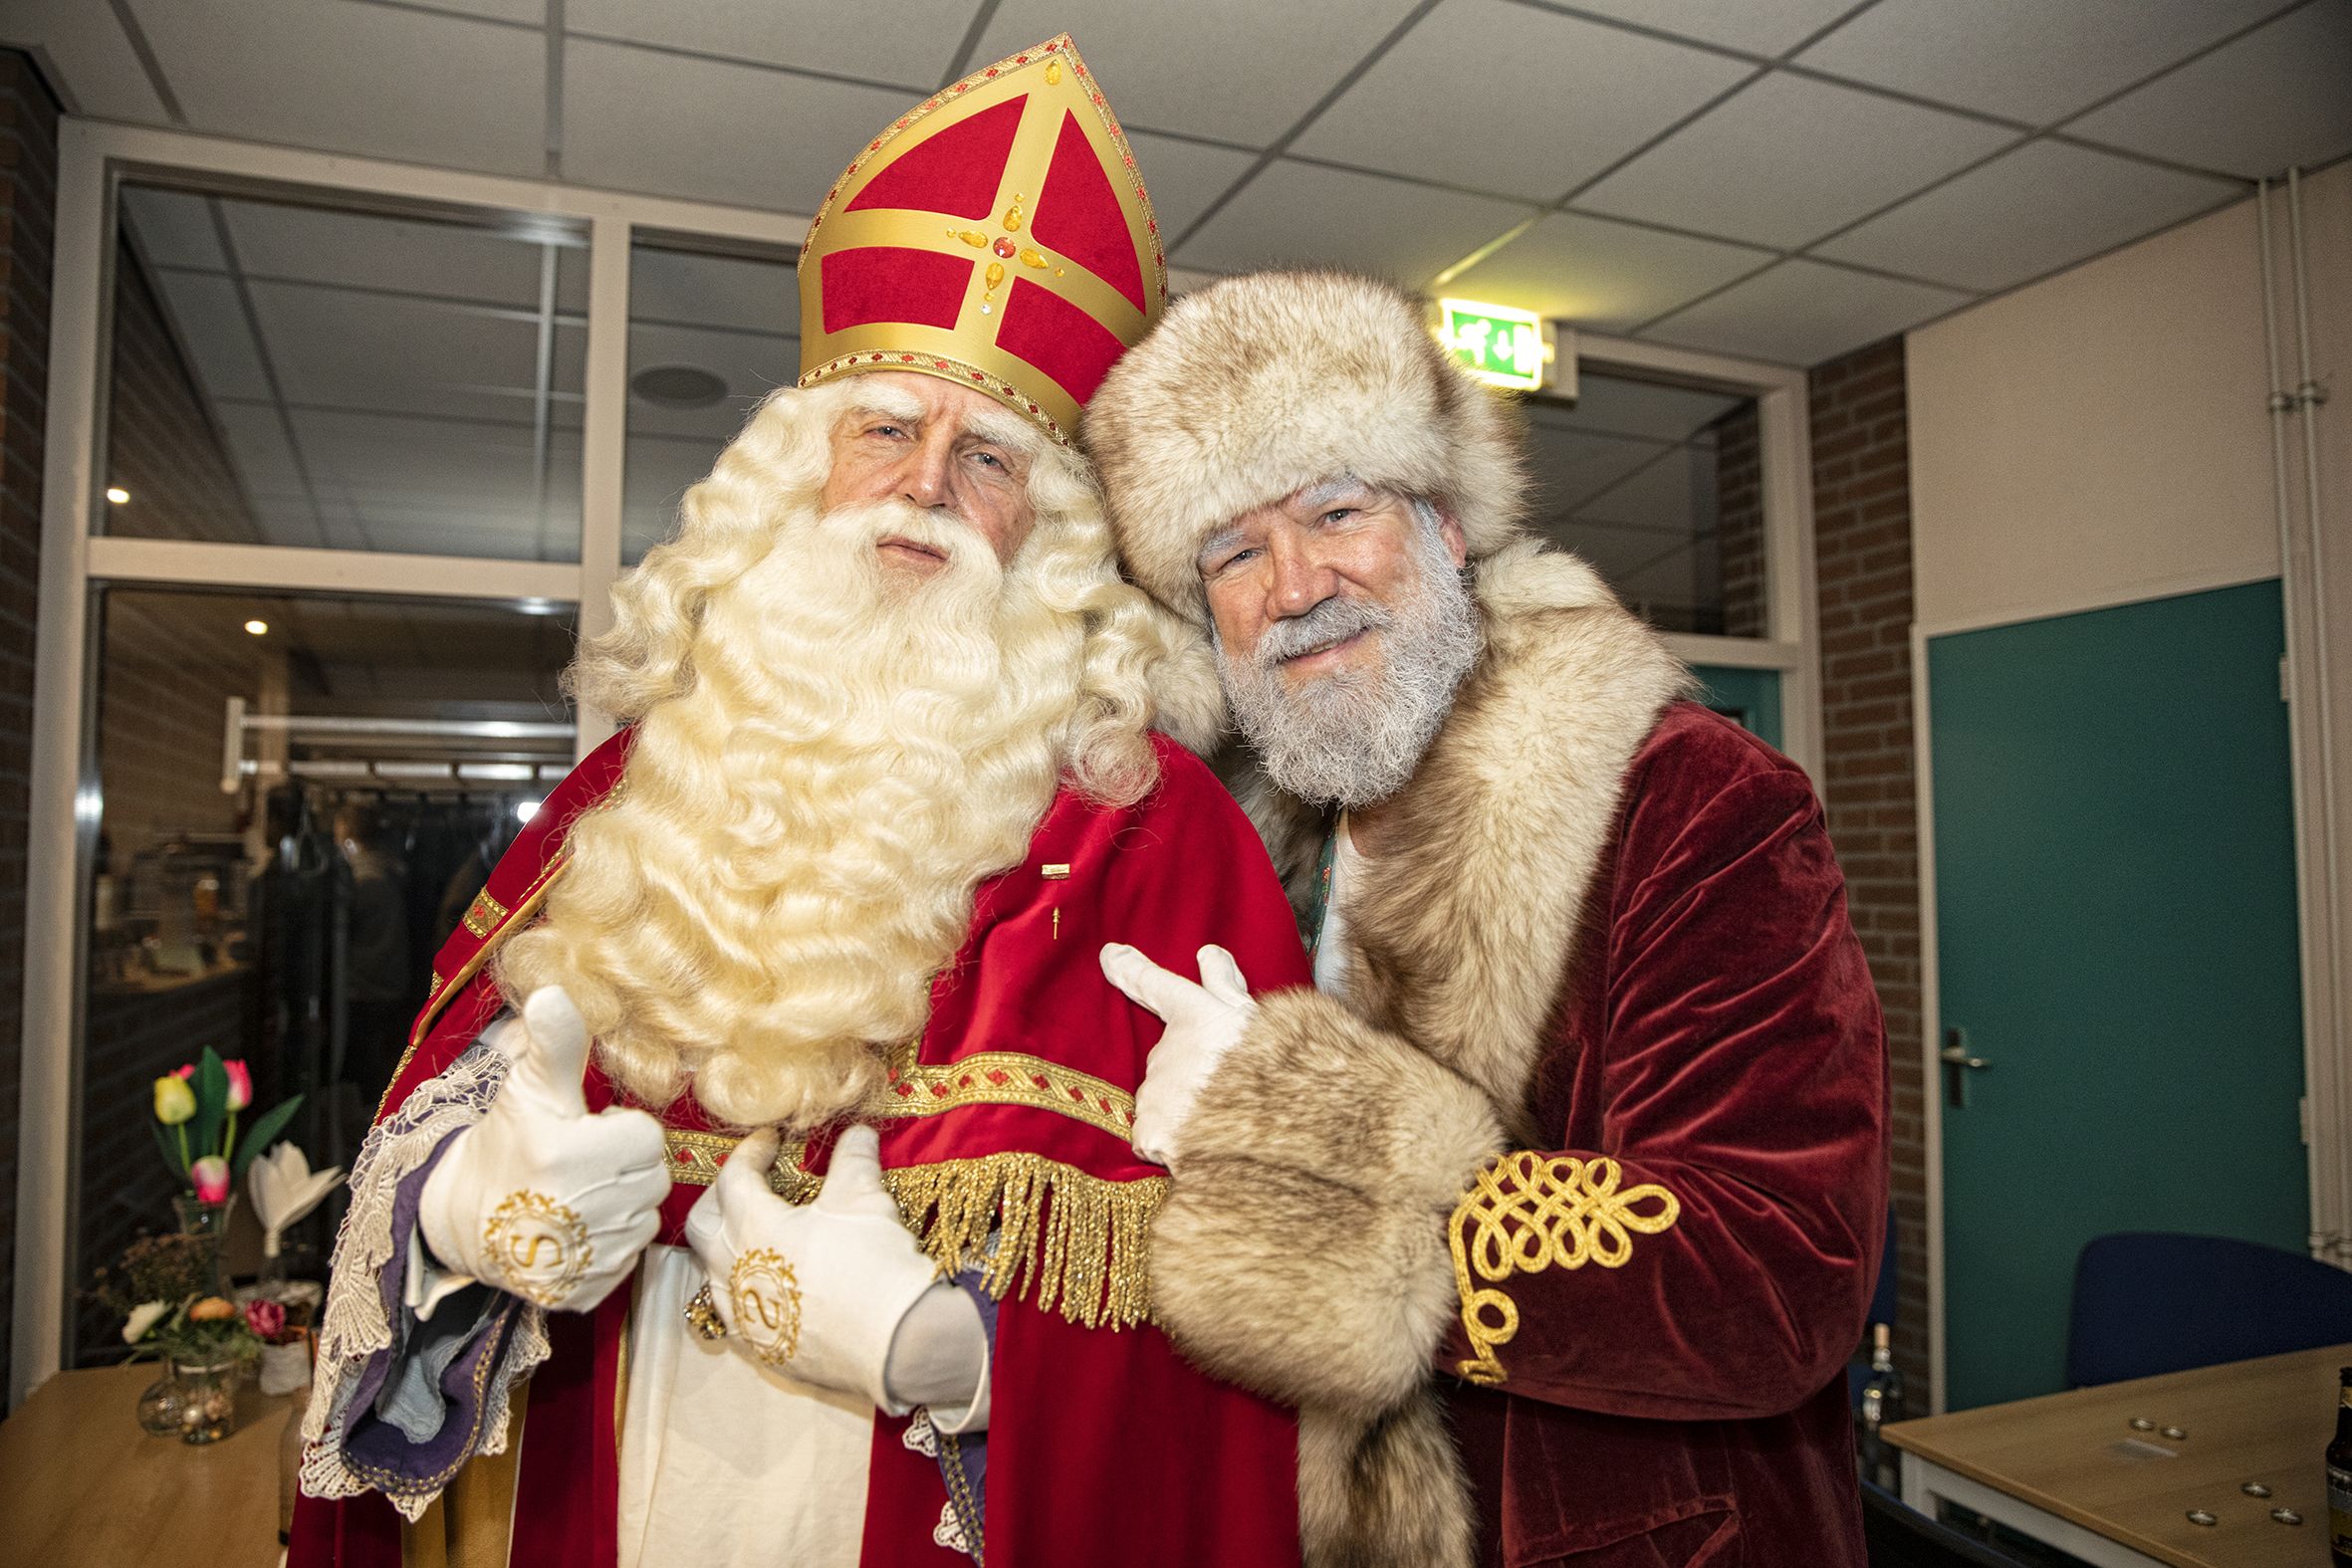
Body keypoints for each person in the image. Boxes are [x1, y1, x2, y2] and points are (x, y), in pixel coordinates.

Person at [289, 39, 1304, 1568]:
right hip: (611, 1482)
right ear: (792, 473)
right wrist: (450, 1217)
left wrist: (960, 1365)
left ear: (1050, 534)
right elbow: (453, 1096)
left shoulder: (1157, 838)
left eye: (987, 458)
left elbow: (1283, 1293)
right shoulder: (637, 788)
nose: (922, 487)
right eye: (883, 430)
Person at [1082, 271, 1891, 1568]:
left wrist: (1286, 1124)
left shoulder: (1683, 799)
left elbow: (1770, 1280)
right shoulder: (1236, 846)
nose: (1295, 585)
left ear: (1447, 529)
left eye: (1336, 512)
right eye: (1235, 551)